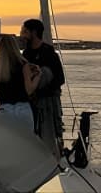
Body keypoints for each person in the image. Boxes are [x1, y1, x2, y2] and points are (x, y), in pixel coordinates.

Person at [19, 18, 65, 157]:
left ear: (34, 32)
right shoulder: (26, 54)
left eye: (25, 31)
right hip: (30, 104)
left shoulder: (49, 54)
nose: (21, 35)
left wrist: (41, 90)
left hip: (48, 104)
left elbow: (59, 79)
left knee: (49, 137)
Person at [0, 34, 40, 131]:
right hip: (23, 110)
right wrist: (38, 76)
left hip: (6, 111)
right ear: (15, 47)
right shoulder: (24, 65)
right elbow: (29, 90)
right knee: (26, 139)